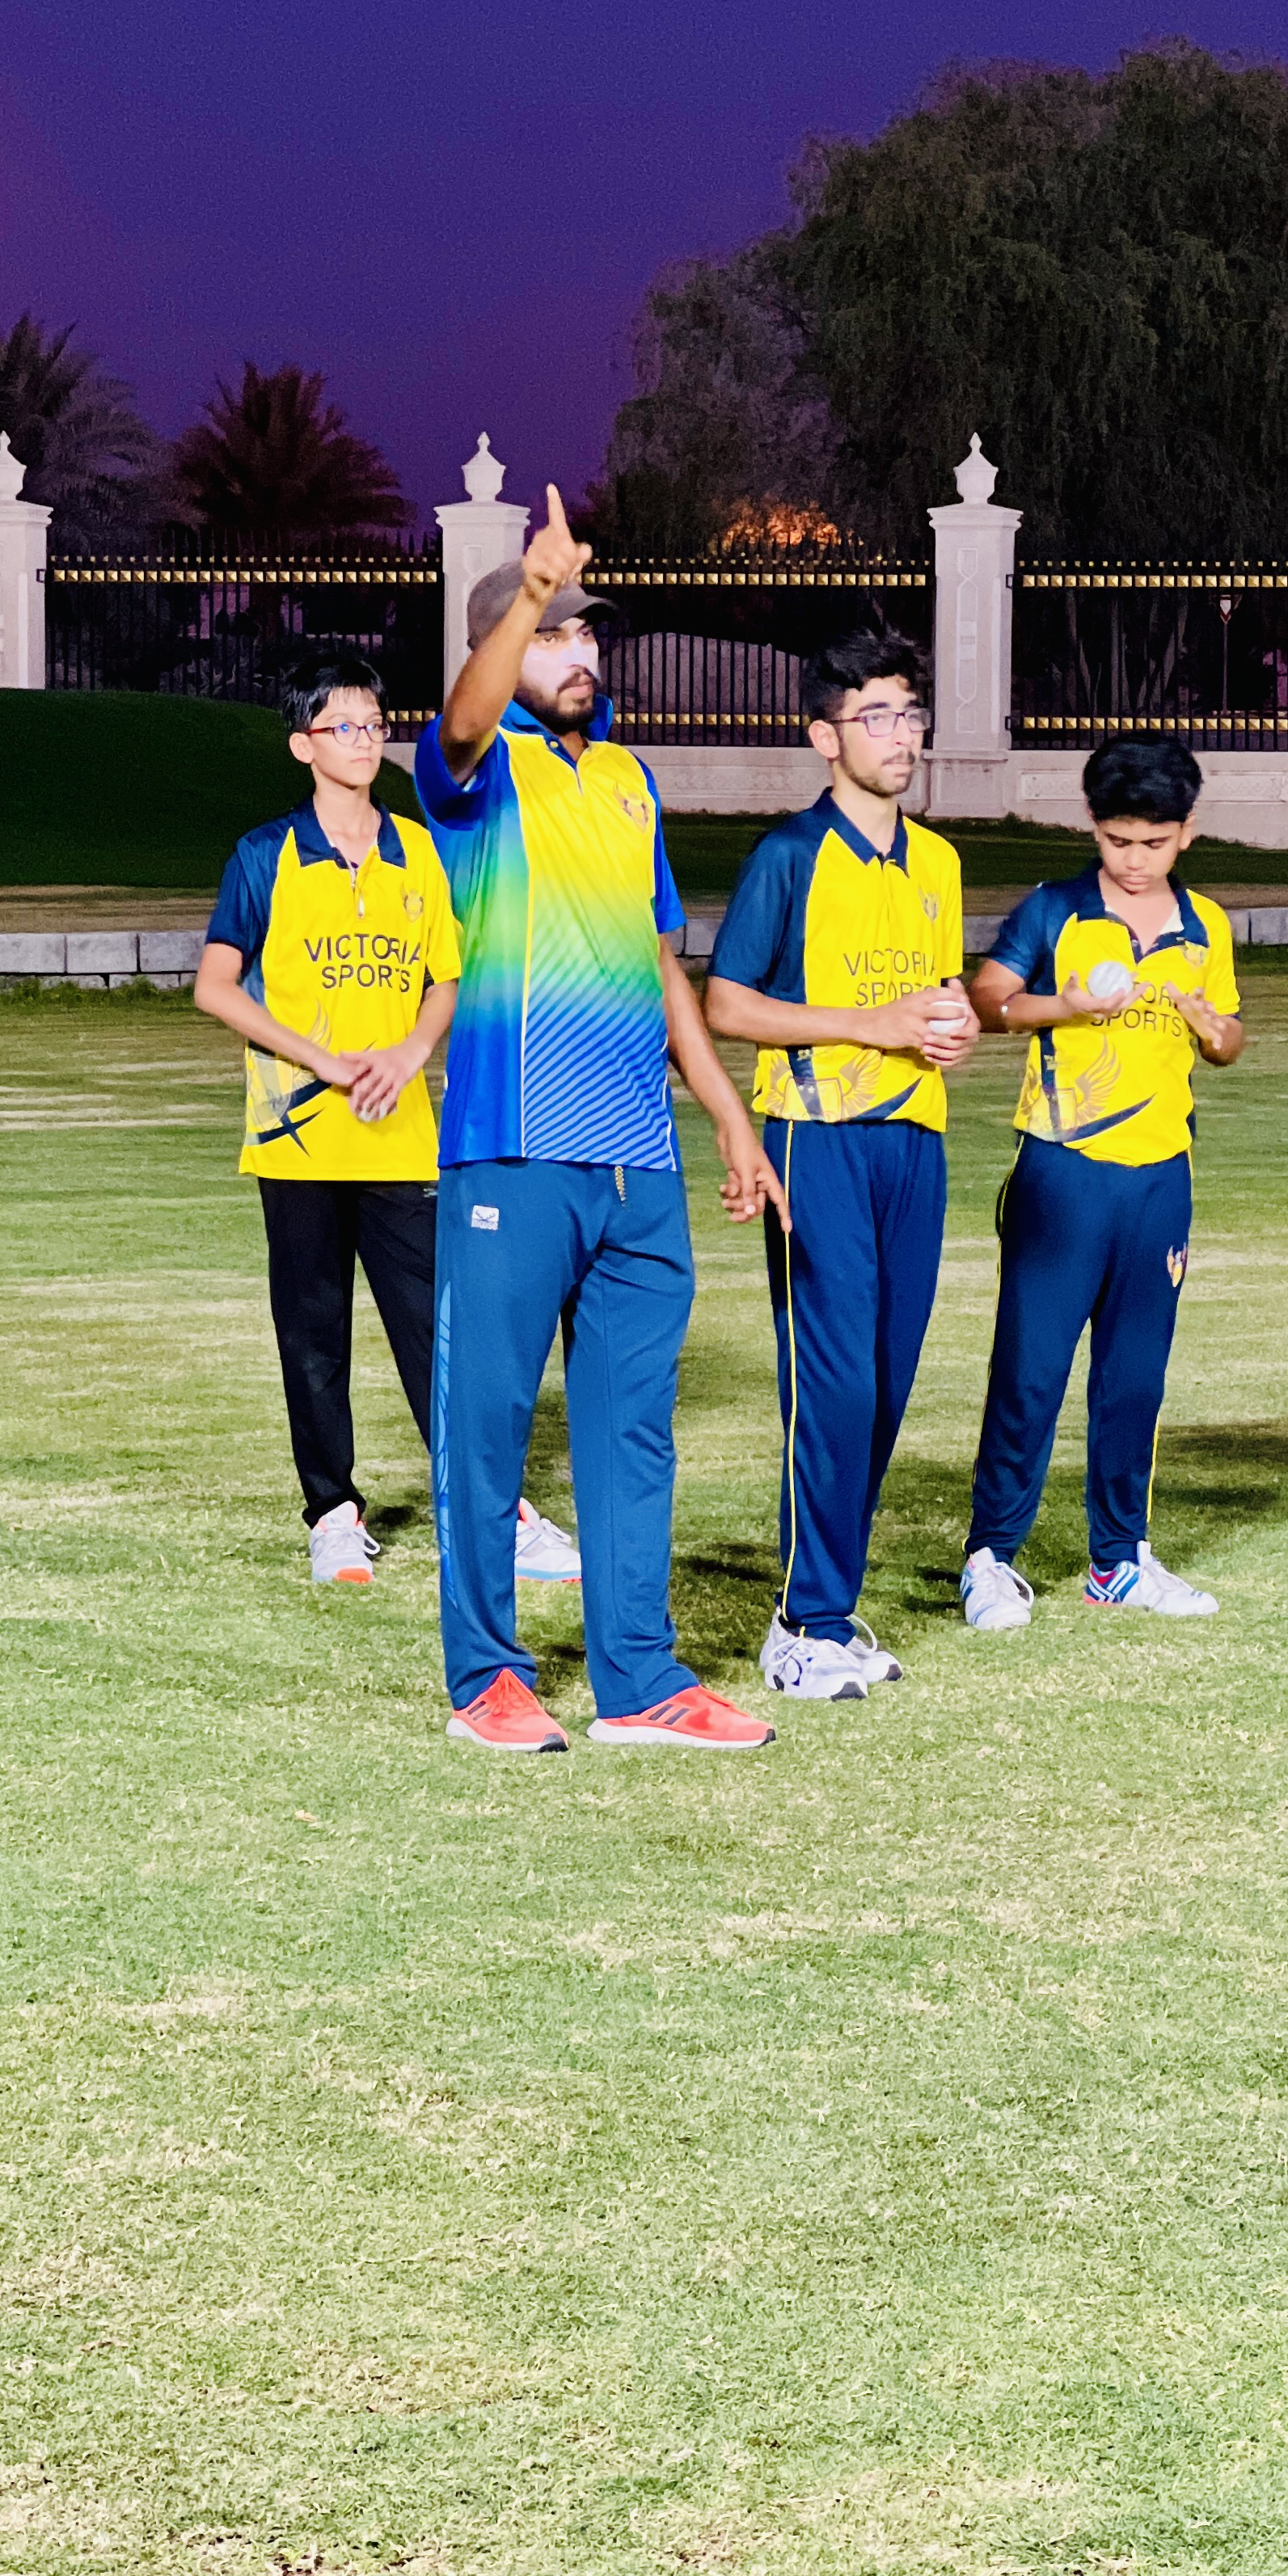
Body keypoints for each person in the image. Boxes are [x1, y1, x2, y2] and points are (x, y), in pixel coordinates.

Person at [413, 487, 787, 1753]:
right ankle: (487, 1680)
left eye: (586, 633)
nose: (580, 653)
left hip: (638, 1160)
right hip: (512, 1149)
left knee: (631, 1431)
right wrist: (525, 593)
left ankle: (640, 1678)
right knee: (488, 1430)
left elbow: (660, 958)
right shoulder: (474, 775)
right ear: (507, 643)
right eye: (554, 634)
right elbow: (464, 721)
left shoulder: (629, 780)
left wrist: (726, 1113)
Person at [193, 655, 581, 1592]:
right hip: (297, 1139)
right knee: (313, 1335)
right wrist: (323, 1062)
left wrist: (409, 1054)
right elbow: (215, 986)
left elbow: (447, 977)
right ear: (304, 746)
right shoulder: (265, 855)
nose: (365, 741)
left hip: (401, 1135)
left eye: (374, 725)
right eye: (344, 727)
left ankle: (493, 1513)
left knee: (442, 1333)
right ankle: (333, 1515)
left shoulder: (417, 851)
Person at [703, 631, 974, 1699]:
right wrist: (872, 1024)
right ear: (825, 737)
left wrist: (951, 1027)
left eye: (910, 713)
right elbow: (726, 1005)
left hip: (917, 1141)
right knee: (834, 1381)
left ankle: (829, 1606)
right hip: (815, 1139)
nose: (902, 735)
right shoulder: (789, 856)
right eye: (877, 717)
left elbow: (934, 999)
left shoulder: (939, 862)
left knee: (887, 1382)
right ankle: (803, 1623)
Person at [958, 733, 1245, 1629]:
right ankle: (991, 1558)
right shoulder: (1056, 909)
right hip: (1062, 1170)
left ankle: (1119, 1560)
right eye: (1118, 840)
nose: (1133, 859)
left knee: (1134, 1379)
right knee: (1031, 1371)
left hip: (1161, 1179)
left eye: (1153, 842)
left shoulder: (1206, 926)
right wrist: (1068, 1005)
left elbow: (1230, 1038)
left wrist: (1212, 1027)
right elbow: (987, 1000)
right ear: (1093, 825)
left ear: (1187, 832)